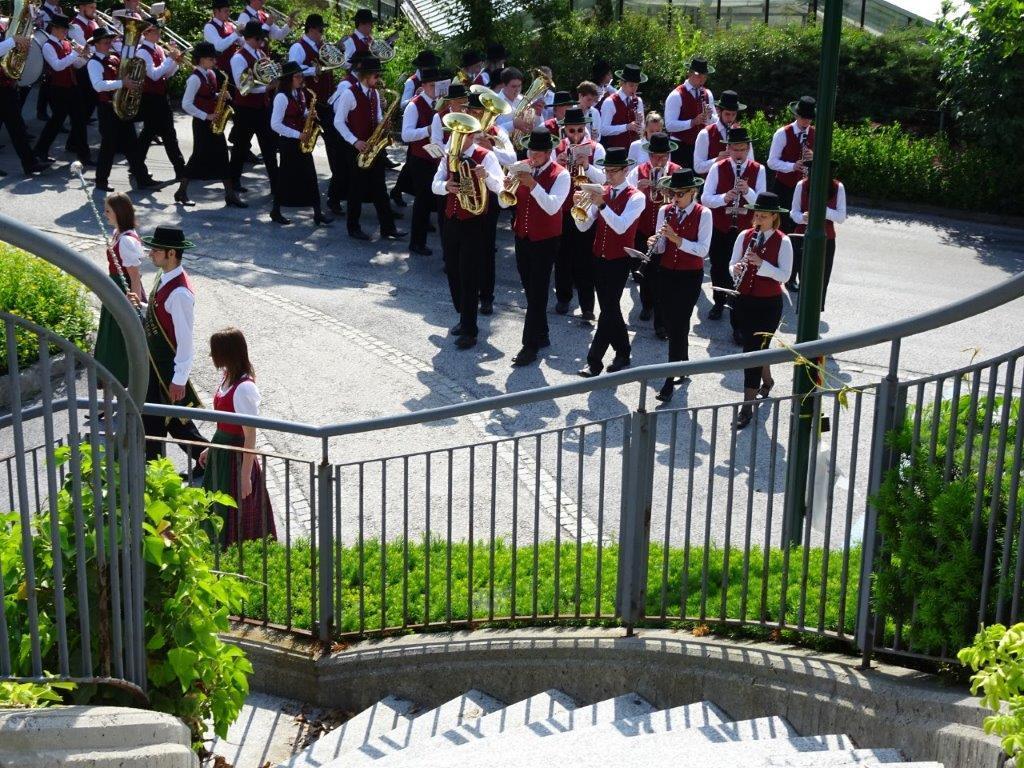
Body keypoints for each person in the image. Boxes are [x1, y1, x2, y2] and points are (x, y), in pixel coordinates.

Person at [131, 226, 208, 466]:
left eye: (156, 250)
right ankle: (207, 463)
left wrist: (179, 379)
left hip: (167, 369)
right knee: (167, 421)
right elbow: (161, 314)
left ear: (171, 253)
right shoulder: (164, 276)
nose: (150, 253)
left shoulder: (181, 293)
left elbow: (185, 340)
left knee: (166, 422)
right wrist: (142, 306)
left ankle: (208, 463)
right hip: (155, 366)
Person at [430, 116, 504, 350]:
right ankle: (464, 316)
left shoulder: (486, 156)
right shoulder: (448, 156)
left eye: (460, 134)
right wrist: (446, 186)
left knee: (469, 274)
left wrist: (486, 177)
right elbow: (434, 185)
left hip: (475, 221)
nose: (455, 138)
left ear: (471, 136)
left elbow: (501, 188)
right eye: (454, 134)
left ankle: (469, 330)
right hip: (452, 219)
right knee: (452, 270)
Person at [198, 328, 277, 546]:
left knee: (236, 510)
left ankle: (234, 552)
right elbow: (225, 423)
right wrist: (211, 447)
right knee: (218, 507)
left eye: (215, 352)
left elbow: (250, 435)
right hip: (222, 453)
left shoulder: (244, 389)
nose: (212, 356)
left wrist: (245, 476)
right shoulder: (228, 378)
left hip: (236, 459)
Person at [500, 129, 570, 366]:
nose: (532, 156)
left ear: (548, 152)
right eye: (531, 150)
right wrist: (506, 186)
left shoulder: (561, 175)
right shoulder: (521, 166)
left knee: (538, 291)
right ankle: (542, 333)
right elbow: (504, 203)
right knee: (529, 288)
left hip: (546, 239)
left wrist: (533, 185)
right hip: (522, 235)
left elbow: (552, 207)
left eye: (538, 152)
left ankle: (529, 346)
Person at [574, 147, 645, 377]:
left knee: (608, 309)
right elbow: (584, 226)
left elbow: (621, 226)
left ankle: (594, 361)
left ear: (625, 171)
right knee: (609, 309)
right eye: (607, 171)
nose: (609, 175)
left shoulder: (636, 197)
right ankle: (623, 352)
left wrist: (602, 205)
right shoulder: (601, 192)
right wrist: (578, 208)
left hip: (620, 259)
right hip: (598, 256)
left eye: (614, 171)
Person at [730, 192, 792, 429]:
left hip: (768, 304)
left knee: (752, 352)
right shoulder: (745, 236)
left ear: (774, 216)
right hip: (744, 300)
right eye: (757, 215)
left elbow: (784, 276)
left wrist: (762, 264)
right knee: (755, 347)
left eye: (763, 217)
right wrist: (736, 269)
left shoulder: (783, 242)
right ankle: (767, 381)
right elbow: (732, 263)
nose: (758, 220)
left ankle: (747, 406)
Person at [650, 170, 711, 403]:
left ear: (693, 192)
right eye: (673, 193)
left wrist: (678, 240)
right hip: (666, 272)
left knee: (678, 322)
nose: (675, 198)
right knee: (671, 321)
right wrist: (655, 242)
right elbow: (661, 248)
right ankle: (683, 363)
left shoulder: (704, 214)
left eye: (680, 194)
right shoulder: (665, 211)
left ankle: (669, 379)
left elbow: (703, 250)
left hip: (689, 275)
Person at [700, 126, 765, 336]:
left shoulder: (758, 169)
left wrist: (748, 191)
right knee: (719, 267)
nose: (739, 153)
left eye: (743, 149)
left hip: (746, 229)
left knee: (742, 270)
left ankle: (738, 319)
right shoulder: (717, 168)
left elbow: (762, 202)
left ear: (748, 149)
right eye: (735, 149)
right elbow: (705, 198)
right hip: (721, 226)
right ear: (728, 148)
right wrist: (724, 198)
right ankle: (719, 302)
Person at [333, 54, 403, 241]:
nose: (378, 79)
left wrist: (384, 125)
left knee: (380, 188)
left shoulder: (374, 93)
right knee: (355, 189)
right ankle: (353, 227)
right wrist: (355, 141)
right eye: (376, 75)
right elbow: (338, 121)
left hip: (373, 146)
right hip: (356, 148)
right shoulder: (349, 93)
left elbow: (378, 117)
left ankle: (388, 228)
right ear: (365, 76)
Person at [176, 42, 245, 208]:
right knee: (198, 157)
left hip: (214, 121)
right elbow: (186, 104)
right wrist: (206, 116)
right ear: (201, 59)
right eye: (211, 59)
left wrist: (220, 94)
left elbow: (207, 95)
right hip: (202, 123)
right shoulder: (194, 78)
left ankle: (230, 194)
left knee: (223, 156)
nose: (215, 62)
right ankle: (181, 191)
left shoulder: (211, 74)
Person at [86, 26, 155, 192]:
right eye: (105, 42)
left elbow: (126, 75)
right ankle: (101, 181)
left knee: (132, 145)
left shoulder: (115, 58)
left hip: (121, 105)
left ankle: (142, 178)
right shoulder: (94, 63)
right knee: (108, 146)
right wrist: (122, 83)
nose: (108, 45)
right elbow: (98, 85)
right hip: (108, 108)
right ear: (96, 44)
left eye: (109, 42)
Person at [552, 106, 605, 319]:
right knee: (562, 256)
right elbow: (548, 178)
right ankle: (563, 298)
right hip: (564, 210)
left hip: (587, 210)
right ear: (565, 130)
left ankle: (587, 306)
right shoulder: (557, 148)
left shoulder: (597, 148)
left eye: (580, 130)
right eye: (571, 130)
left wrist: (588, 167)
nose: (576, 135)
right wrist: (558, 165)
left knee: (585, 259)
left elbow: (605, 180)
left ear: (585, 128)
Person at [627, 131, 680, 336]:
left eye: (663, 157)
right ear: (649, 156)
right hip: (643, 230)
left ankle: (661, 322)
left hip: (667, 231)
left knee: (663, 277)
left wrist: (671, 193)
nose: (659, 161)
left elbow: (688, 201)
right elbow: (626, 196)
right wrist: (637, 189)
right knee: (645, 273)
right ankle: (646, 304)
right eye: (656, 157)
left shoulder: (677, 172)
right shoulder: (638, 171)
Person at [289, 14, 342, 216]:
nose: (322, 33)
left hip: (325, 103)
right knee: (303, 144)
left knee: (334, 144)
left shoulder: (322, 46)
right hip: (308, 103)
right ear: (311, 29)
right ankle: (296, 186)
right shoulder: (298, 47)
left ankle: (336, 191)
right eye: (320, 30)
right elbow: (293, 70)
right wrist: (313, 70)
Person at [93, 193, 145, 386]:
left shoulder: (126, 241)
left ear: (118, 212)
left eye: (108, 211)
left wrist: (134, 306)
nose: (105, 214)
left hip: (124, 293)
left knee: (118, 342)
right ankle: (109, 390)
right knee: (110, 340)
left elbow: (134, 277)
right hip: (115, 290)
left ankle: (121, 386)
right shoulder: (118, 233)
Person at [270, 60, 330, 226]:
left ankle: (317, 213)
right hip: (289, 142)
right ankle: (276, 210)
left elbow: (299, 111)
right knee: (285, 178)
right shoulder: (281, 97)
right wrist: (298, 135)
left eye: (301, 76)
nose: (301, 79)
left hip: (301, 141)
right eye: (297, 76)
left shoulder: (300, 93)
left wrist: (309, 114)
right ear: (288, 78)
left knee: (310, 176)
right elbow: (275, 124)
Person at [228, 21, 278, 208]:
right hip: (246, 109)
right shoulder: (238, 58)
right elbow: (243, 87)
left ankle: (276, 185)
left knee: (269, 148)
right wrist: (268, 87)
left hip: (262, 107)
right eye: (259, 39)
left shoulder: (260, 54)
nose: (261, 42)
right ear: (250, 38)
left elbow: (267, 76)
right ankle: (232, 185)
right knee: (240, 148)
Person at [33, 14, 90, 167]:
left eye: (66, 29)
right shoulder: (48, 46)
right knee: (56, 122)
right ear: (54, 28)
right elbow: (57, 66)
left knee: (79, 120)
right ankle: (40, 150)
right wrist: (75, 53)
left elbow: (75, 64)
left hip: (72, 86)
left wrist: (84, 57)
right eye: (64, 29)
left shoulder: (66, 43)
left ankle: (84, 155)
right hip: (58, 88)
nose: (66, 32)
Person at [789, 159, 846, 311]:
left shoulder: (838, 187)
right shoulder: (802, 185)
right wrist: (802, 217)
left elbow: (841, 217)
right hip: (802, 236)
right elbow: (793, 212)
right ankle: (802, 309)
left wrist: (821, 210)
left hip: (827, 238)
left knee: (823, 277)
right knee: (804, 276)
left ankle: (816, 310)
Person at [136, 17, 186, 181]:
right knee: (152, 133)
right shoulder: (142, 52)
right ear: (146, 32)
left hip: (162, 96)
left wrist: (176, 63)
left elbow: (166, 74)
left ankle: (180, 169)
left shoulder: (158, 48)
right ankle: (138, 168)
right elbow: (154, 75)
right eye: (155, 30)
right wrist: (170, 59)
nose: (159, 33)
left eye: (159, 30)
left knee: (165, 133)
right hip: (150, 98)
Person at [400, 66, 442, 256]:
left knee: (435, 199)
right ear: (423, 86)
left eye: (437, 85)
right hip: (420, 159)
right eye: (432, 85)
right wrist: (428, 130)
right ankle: (416, 242)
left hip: (437, 157)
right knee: (422, 201)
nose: (435, 89)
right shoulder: (414, 105)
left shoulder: (440, 104)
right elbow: (406, 135)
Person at [767, 95, 815, 253]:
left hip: (805, 188)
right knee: (783, 225)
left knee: (801, 225)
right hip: (784, 187)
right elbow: (771, 162)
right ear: (796, 115)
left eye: (809, 119)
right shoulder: (782, 133)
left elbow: (824, 163)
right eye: (803, 118)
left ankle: (798, 260)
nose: (806, 122)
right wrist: (793, 166)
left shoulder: (815, 134)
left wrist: (814, 158)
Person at [0, 28, 42, 176]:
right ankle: (30, 163)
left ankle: (30, 163)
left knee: (17, 126)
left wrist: (20, 48)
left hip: (5, 85)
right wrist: (13, 41)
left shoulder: (3, 27)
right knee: (16, 126)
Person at [663, 56, 716, 167]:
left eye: (704, 76)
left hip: (701, 146)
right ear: (690, 73)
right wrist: (692, 122)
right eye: (699, 76)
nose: (702, 80)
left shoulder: (707, 94)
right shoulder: (676, 95)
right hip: (680, 147)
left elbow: (715, 122)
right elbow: (669, 125)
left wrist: (710, 116)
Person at [693, 89, 750, 176]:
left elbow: (750, 162)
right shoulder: (705, 134)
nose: (730, 118)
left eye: (733, 114)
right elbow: (698, 167)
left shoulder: (742, 134)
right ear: (718, 111)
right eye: (727, 114)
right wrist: (717, 159)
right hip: (712, 182)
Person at [599, 63, 644, 151]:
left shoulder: (638, 101)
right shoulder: (610, 102)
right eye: (631, 85)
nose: (634, 89)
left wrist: (640, 124)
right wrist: (626, 127)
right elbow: (603, 130)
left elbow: (642, 129)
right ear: (622, 83)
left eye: (636, 85)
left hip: (633, 150)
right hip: (615, 152)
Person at [68, 0, 99, 127]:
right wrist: (103, 49)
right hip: (82, 68)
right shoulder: (75, 26)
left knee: (92, 98)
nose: (94, 10)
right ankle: (79, 122)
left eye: (95, 7)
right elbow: (84, 49)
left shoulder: (93, 22)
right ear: (82, 7)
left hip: (92, 64)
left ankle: (84, 119)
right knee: (86, 98)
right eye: (91, 7)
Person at [204, 0, 240, 73]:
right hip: (219, 71)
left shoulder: (230, 25)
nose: (229, 13)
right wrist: (236, 34)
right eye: (226, 11)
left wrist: (248, 36)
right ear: (216, 11)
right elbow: (219, 47)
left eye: (229, 11)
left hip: (233, 68)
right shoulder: (209, 27)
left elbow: (243, 43)